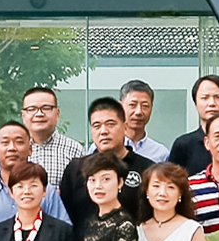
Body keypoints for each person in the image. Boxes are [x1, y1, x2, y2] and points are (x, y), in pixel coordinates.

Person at [60, 97, 153, 227]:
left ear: (125, 127)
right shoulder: (76, 168)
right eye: (96, 126)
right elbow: (65, 215)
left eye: (110, 124)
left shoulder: (147, 168)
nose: (103, 131)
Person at [0, 122, 68, 227]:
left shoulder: (47, 192)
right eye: (5, 143)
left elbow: (62, 232)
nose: (12, 148)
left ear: (30, 149)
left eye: (19, 142)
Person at [21, 85, 85, 184]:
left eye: (46, 108)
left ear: (57, 113)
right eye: (32, 109)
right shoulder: (16, 150)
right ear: (23, 115)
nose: (39, 114)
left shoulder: (74, 149)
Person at [119, 79, 168, 163]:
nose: (139, 112)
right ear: (120, 107)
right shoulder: (104, 148)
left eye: (145, 106)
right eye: (132, 105)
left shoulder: (161, 154)